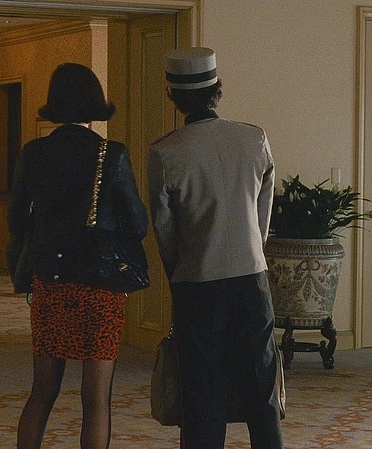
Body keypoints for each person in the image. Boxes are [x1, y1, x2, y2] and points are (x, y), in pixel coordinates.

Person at [147, 47, 283, 449]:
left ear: (171, 95)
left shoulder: (166, 152)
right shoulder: (254, 137)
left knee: (202, 390)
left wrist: (179, 271)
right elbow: (263, 208)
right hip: (251, 277)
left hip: (197, 281)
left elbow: (164, 229)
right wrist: (252, 245)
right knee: (262, 385)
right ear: (217, 88)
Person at [7, 62, 148, 449]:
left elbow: (16, 220)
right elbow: (138, 224)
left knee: (42, 391)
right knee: (96, 399)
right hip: (100, 286)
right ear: (94, 103)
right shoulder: (110, 154)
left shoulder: (33, 153)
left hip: (51, 282)